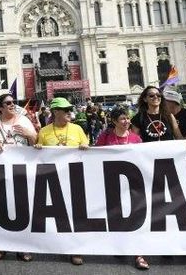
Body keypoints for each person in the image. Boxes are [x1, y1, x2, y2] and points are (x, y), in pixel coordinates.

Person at [35, 97, 88, 265]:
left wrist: (86, 147)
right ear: (55, 112)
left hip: (74, 178)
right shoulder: (44, 132)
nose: (69, 112)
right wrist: (36, 148)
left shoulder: (78, 129)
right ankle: (60, 244)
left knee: (76, 215)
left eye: (69, 109)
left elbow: (88, 148)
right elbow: (37, 155)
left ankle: (76, 250)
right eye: (65, 110)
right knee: (58, 216)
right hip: (53, 180)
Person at [94, 106, 147, 269]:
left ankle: (139, 254)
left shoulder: (135, 138)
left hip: (132, 185)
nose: (127, 121)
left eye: (128, 118)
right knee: (117, 215)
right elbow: (94, 155)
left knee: (136, 217)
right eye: (123, 119)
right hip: (112, 183)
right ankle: (121, 244)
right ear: (114, 121)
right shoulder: (105, 136)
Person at [0, 93, 36, 262]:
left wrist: (28, 134)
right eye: (8, 103)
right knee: (1, 210)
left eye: (13, 102)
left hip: (21, 171)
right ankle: (2, 246)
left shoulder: (23, 120)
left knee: (22, 209)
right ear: (0, 107)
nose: (12, 104)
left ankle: (23, 247)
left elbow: (36, 140)